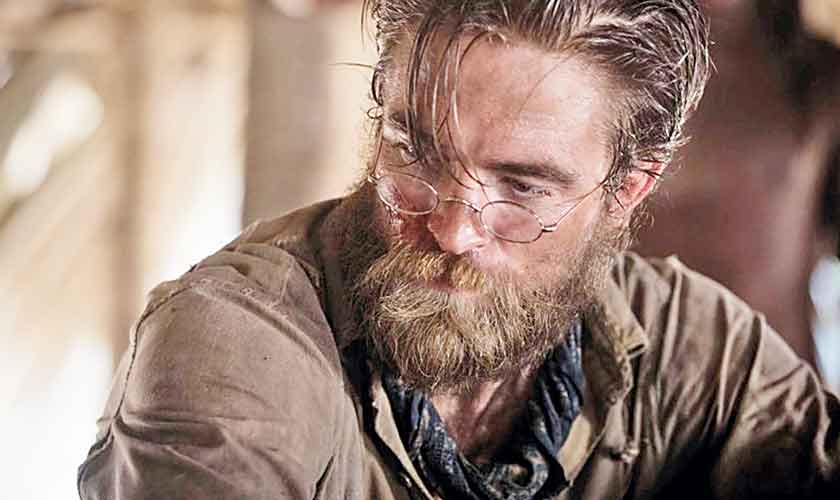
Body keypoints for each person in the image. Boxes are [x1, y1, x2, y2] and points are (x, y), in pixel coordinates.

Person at [78, 1, 840, 499]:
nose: (452, 228)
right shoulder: (237, 341)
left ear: (628, 189)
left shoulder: (697, 348)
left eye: (524, 186)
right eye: (416, 154)